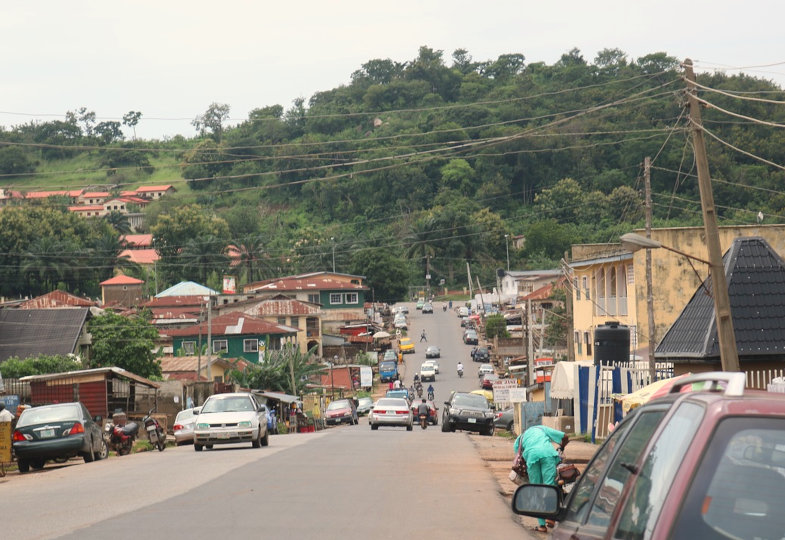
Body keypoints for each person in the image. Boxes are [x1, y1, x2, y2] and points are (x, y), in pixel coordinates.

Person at [513, 425, 569, 532]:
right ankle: (551, 517)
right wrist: (562, 447)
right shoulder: (542, 429)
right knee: (550, 485)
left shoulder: (521, 438)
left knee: (536, 490)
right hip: (547, 454)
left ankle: (542, 526)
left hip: (531, 457)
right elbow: (564, 436)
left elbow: (517, 455)